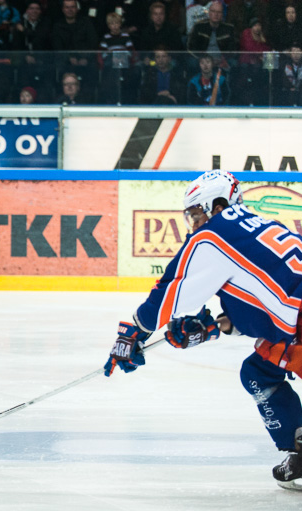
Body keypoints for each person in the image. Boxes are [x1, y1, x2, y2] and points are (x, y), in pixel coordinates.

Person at [102, 170, 302, 491]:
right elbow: (267, 300)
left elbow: (169, 289)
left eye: (196, 213)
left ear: (219, 204)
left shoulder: (212, 235)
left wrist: (133, 333)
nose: (194, 223)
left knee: (260, 372)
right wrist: (216, 326)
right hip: (296, 326)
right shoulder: (262, 226)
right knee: (259, 371)